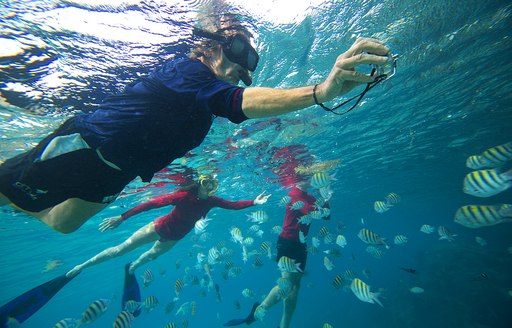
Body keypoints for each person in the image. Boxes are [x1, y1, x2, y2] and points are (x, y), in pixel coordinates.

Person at [0, 15, 391, 233]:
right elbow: (237, 102)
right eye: (238, 48)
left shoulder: (205, 111)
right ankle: (15, 198)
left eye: (250, 60)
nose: (243, 65)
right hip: (83, 146)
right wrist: (322, 90)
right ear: (207, 44)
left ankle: (23, 205)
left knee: (64, 225)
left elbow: (227, 103)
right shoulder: (185, 71)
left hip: (115, 175)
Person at [66, 175, 270, 277]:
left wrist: (254, 202)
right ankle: (81, 266)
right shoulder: (182, 196)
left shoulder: (212, 201)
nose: (210, 188)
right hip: (158, 228)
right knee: (120, 250)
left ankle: (134, 266)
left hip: (174, 238)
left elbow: (233, 206)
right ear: (199, 183)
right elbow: (150, 204)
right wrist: (122, 217)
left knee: (150, 256)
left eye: (213, 186)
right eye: (207, 183)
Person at [224, 174, 330, 328]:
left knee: (295, 287)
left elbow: (327, 215)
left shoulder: (311, 197)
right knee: (287, 284)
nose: (313, 179)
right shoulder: (293, 194)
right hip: (287, 244)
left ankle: (284, 325)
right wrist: (324, 194)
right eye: (309, 176)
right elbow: (312, 212)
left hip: (301, 244)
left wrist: (325, 197)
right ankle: (259, 311)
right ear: (300, 179)